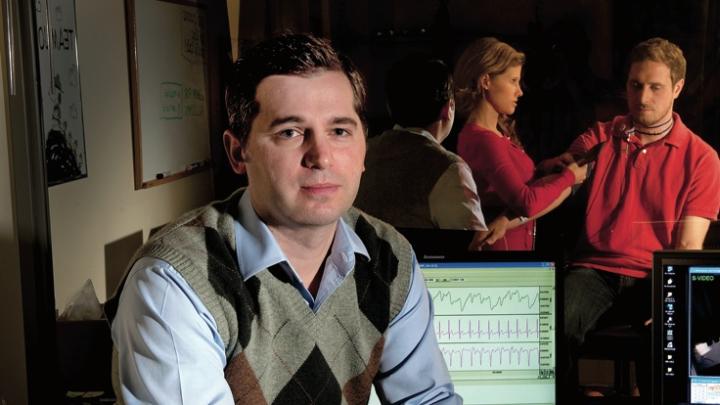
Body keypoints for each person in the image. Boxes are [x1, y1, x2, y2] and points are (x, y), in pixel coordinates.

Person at [105, 34, 460, 404]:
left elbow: (427, 399)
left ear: (363, 149)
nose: (321, 157)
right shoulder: (174, 282)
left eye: (339, 131)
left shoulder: (390, 257)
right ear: (238, 152)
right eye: (290, 132)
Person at [539, 37, 720, 397]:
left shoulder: (702, 158)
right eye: (636, 85)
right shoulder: (603, 135)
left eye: (655, 87)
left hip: (654, 275)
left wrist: (668, 299)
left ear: (677, 88)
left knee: (682, 340)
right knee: (553, 325)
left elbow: (687, 246)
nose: (643, 97)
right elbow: (555, 179)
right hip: (594, 270)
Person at [453, 37, 587, 250]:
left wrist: (543, 169)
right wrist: (570, 176)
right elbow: (526, 202)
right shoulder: (484, 141)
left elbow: (507, 183)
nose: (520, 91)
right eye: (513, 81)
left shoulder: (493, 134)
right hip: (503, 257)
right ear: (486, 81)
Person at [355, 53, 487, 232]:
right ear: (448, 108)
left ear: (389, 106)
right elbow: (471, 247)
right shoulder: (447, 167)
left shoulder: (361, 154)